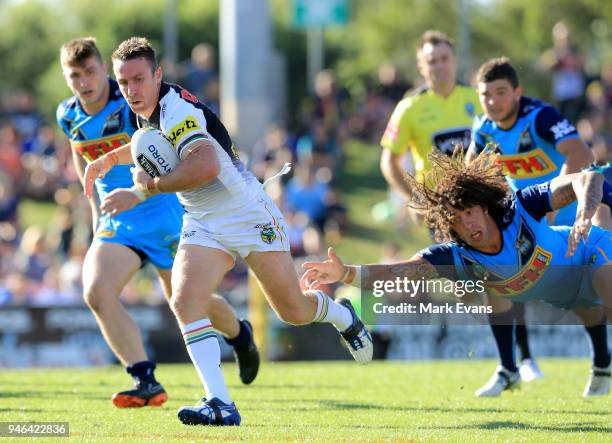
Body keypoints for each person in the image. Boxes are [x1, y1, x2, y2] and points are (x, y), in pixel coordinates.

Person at [83, 37, 373, 427]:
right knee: (185, 301)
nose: (131, 90)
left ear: (158, 75)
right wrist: (105, 160)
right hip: (203, 220)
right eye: (123, 83)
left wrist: (144, 189)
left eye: (138, 79)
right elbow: (145, 147)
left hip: (247, 213)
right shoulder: (146, 112)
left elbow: (205, 167)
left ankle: (342, 315)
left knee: (293, 310)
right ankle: (219, 401)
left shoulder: (177, 110)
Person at [302, 150, 612, 398]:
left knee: (604, 285)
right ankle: (577, 366)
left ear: (485, 207)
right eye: (456, 219)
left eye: (469, 212)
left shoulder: (520, 208)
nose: (467, 224)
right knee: (559, 300)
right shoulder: (456, 253)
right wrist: (346, 273)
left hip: (588, 249)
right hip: (566, 290)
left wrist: (585, 213)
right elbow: (401, 272)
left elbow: (588, 180)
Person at [57, 37, 260, 409]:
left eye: (90, 72)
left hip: (163, 210)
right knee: (96, 292)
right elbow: (81, 157)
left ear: (104, 69)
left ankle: (239, 335)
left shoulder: (132, 101)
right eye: (75, 76)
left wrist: (140, 189)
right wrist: (93, 212)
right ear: (67, 79)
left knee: (184, 300)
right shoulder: (68, 114)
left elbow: (165, 148)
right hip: (120, 221)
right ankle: (144, 379)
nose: (84, 81)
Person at [467, 57, 602, 396]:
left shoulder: (540, 117)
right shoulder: (483, 129)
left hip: (567, 218)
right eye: (486, 95)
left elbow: (581, 154)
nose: (493, 101)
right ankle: (510, 366)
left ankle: (603, 361)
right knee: (494, 274)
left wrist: (553, 200)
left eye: (500, 93)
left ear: (517, 92)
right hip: (524, 221)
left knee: (582, 301)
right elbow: (470, 177)